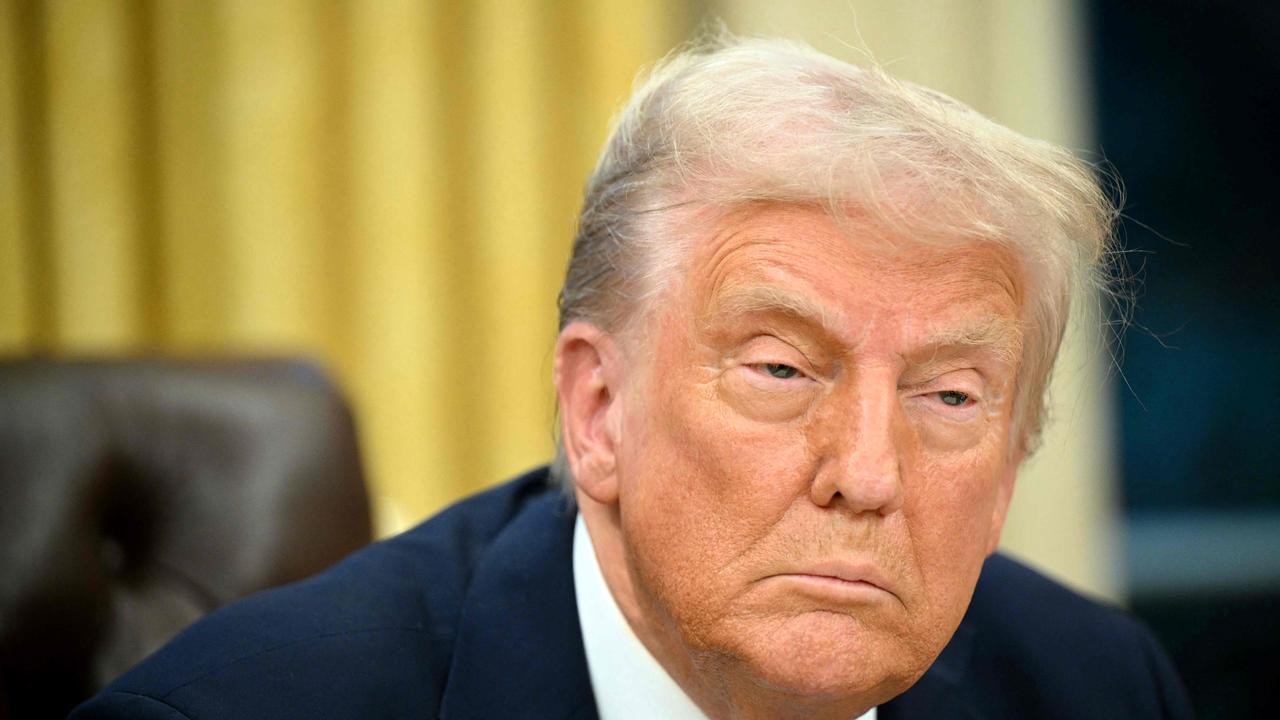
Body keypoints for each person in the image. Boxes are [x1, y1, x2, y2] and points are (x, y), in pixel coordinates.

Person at [73, 35, 1192, 719]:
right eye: (779, 368)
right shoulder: (238, 714)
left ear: (1006, 475)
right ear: (597, 412)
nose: (865, 473)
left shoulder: (1095, 690)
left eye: (949, 396)